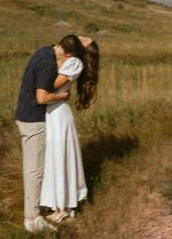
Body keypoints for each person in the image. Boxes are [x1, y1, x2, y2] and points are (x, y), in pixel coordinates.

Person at [15, 35, 84, 232]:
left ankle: (36, 209)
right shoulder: (48, 64)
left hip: (25, 115)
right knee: (35, 170)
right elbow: (42, 97)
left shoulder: (44, 50)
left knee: (33, 168)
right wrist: (64, 95)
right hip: (33, 120)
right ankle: (33, 219)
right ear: (68, 53)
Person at [40, 36, 100, 222]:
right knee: (56, 158)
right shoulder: (69, 58)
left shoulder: (74, 62)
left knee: (60, 158)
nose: (81, 37)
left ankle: (64, 207)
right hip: (53, 111)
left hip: (58, 115)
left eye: (85, 40)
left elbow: (49, 85)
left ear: (85, 50)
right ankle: (58, 204)